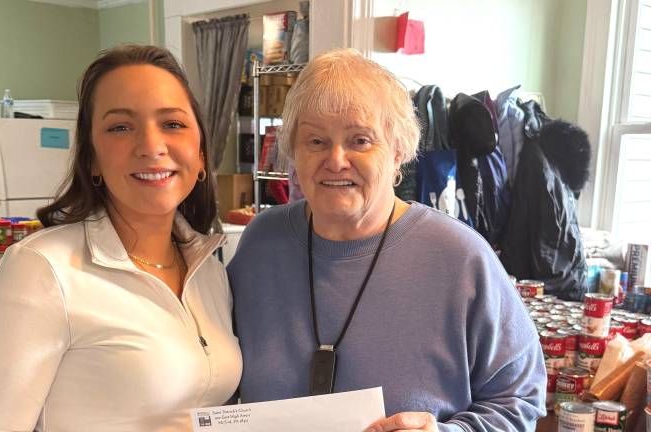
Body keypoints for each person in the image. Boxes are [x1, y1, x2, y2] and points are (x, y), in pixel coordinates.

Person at [227, 49, 547, 432]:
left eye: (360, 140)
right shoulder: (261, 244)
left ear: (398, 152)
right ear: (293, 151)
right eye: (315, 141)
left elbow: (521, 400)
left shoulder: (460, 258)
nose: (336, 159)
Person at [0, 45, 241, 432]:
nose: (152, 146)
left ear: (201, 154)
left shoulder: (208, 269)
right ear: (92, 159)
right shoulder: (42, 270)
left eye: (172, 124)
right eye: (121, 127)